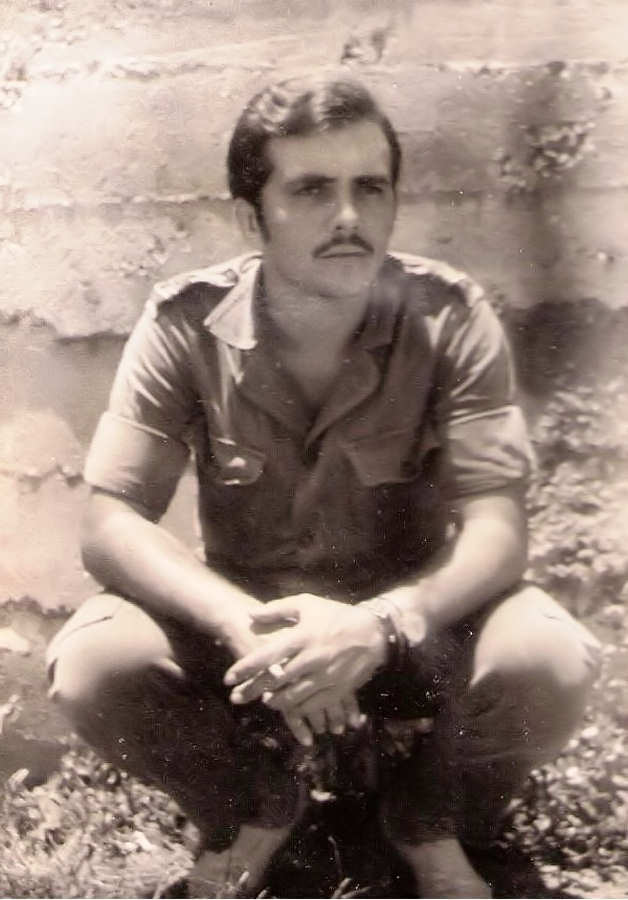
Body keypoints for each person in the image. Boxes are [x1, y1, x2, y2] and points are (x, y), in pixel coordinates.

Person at [46, 74, 601, 898]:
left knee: (549, 656)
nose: (348, 217)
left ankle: (429, 826)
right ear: (252, 217)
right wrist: (241, 624)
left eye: (370, 188)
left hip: (412, 633)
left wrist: (383, 624)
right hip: (254, 639)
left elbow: (499, 528)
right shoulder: (184, 324)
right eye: (311, 190)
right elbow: (111, 521)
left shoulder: (450, 317)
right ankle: (260, 811)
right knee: (96, 661)